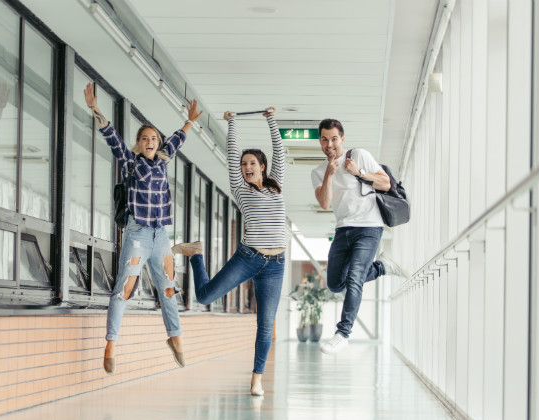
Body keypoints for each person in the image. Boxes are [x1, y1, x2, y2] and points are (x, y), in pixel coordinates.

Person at [84, 82, 204, 374]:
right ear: (138, 144)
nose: (150, 141)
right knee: (124, 289)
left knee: (168, 291)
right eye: (145, 138)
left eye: (154, 138)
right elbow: (111, 137)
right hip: (137, 235)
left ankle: (175, 340)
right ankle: (110, 344)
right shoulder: (130, 162)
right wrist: (96, 109)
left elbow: (177, 139)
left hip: (161, 236)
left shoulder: (163, 161)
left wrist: (188, 122)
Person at [171, 108, 285, 396]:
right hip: (249, 258)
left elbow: (279, 151)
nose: (247, 167)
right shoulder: (240, 189)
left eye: (252, 163)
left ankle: (256, 379)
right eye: (244, 164)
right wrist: (232, 123)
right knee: (205, 295)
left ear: (263, 166)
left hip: (276, 265)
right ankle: (196, 255)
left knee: (266, 323)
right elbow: (231, 155)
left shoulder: (276, 186)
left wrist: (271, 120)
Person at [311, 118, 407, 355]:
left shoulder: (359, 155)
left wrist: (360, 172)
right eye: (324, 139)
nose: (330, 143)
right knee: (335, 284)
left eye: (334, 138)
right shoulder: (318, 172)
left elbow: (385, 183)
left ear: (342, 139)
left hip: (369, 226)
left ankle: (343, 333)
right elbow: (324, 203)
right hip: (343, 229)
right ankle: (382, 267)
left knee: (354, 278)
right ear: (320, 141)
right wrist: (329, 175)